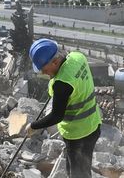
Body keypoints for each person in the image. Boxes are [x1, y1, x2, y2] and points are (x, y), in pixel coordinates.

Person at [26, 38, 101, 178]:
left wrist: (33, 126)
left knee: (79, 174)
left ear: (55, 62)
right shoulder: (78, 57)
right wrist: (54, 78)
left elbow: (56, 116)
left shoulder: (62, 84)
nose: (43, 73)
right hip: (93, 125)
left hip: (77, 135)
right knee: (80, 168)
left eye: (44, 69)